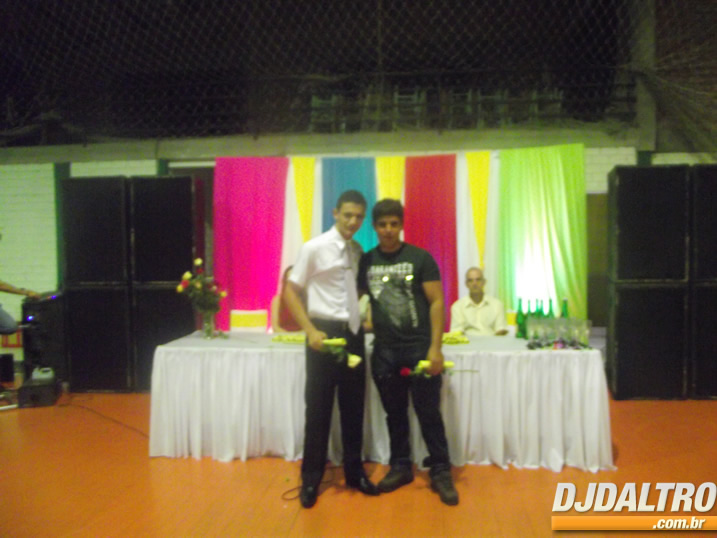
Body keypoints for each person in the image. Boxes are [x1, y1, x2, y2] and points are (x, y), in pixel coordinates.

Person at [357, 199, 459, 506]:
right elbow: (354, 298)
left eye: (393, 224)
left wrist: (435, 348)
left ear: (401, 225)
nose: (388, 230)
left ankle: (440, 470)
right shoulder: (366, 261)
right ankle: (401, 466)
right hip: (385, 351)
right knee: (395, 414)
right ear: (374, 227)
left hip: (419, 348)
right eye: (382, 224)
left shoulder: (420, 258)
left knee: (429, 413)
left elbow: (437, 302)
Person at [283, 189, 379, 508]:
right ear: (335, 213)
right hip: (322, 334)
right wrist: (310, 330)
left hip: (353, 334)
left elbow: (354, 291)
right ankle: (311, 479)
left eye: (358, 217)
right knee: (318, 409)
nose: (353, 221)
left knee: (354, 407)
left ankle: (354, 473)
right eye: (347, 215)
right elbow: (291, 291)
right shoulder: (314, 248)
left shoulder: (357, 250)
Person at [450, 267, 509, 336]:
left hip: (492, 341)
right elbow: (457, 332)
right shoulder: (457, 306)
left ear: (484, 282)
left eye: (478, 280)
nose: (474, 283)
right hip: (467, 342)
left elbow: (501, 329)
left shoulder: (497, 305)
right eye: (470, 280)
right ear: (466, 284)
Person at [270, 266, 302, 332]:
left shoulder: (305, 300)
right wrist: (288, 336)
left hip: (302, 335)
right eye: (288, 280)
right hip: (282, 335)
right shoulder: (278, 300)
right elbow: (275, 327)